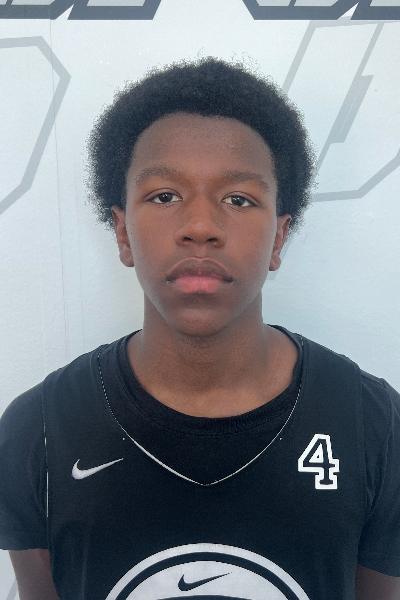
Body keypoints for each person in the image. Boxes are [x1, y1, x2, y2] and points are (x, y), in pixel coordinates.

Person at [0, 57, 399, 600]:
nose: (201, 227)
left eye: (238, 199)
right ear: (122, 232)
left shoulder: (372, 425)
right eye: (165, 195)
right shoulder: (39, 431)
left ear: (279, 237)